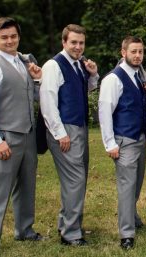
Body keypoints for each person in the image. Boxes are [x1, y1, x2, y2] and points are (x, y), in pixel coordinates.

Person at [0, 17, 44, 257]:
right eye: (4, 37)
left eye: (13, 36)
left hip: (28, 135)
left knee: (27, 187)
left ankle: (24, 230)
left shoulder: (24, 62)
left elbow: (33, 97)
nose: (10, 41)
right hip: (5, 138)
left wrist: (37, 79)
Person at [40, 24, 99, 246]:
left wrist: (93, 74)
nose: (78, 46)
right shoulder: (53, 66)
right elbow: (47, 102)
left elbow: (88, 89)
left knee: (77, 179)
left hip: (80, 128)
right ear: (64, 42)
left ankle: (67, 222)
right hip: (64, 130)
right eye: (73, 42)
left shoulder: (80, 65)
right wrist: (59, 133)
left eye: (81, 43)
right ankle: (71, 233)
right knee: (75, 180)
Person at [98, 36, 146, 249]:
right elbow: (104, 112)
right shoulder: (113, 79)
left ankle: (132, 216)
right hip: (124, 140)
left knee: (136, 184)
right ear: (123, 53)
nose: (138, 55)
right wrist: (110, 143)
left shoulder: (140, 77)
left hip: (140, 137)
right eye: (134, 52)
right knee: (126, 186)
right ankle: (126, 234)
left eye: (141, 51)